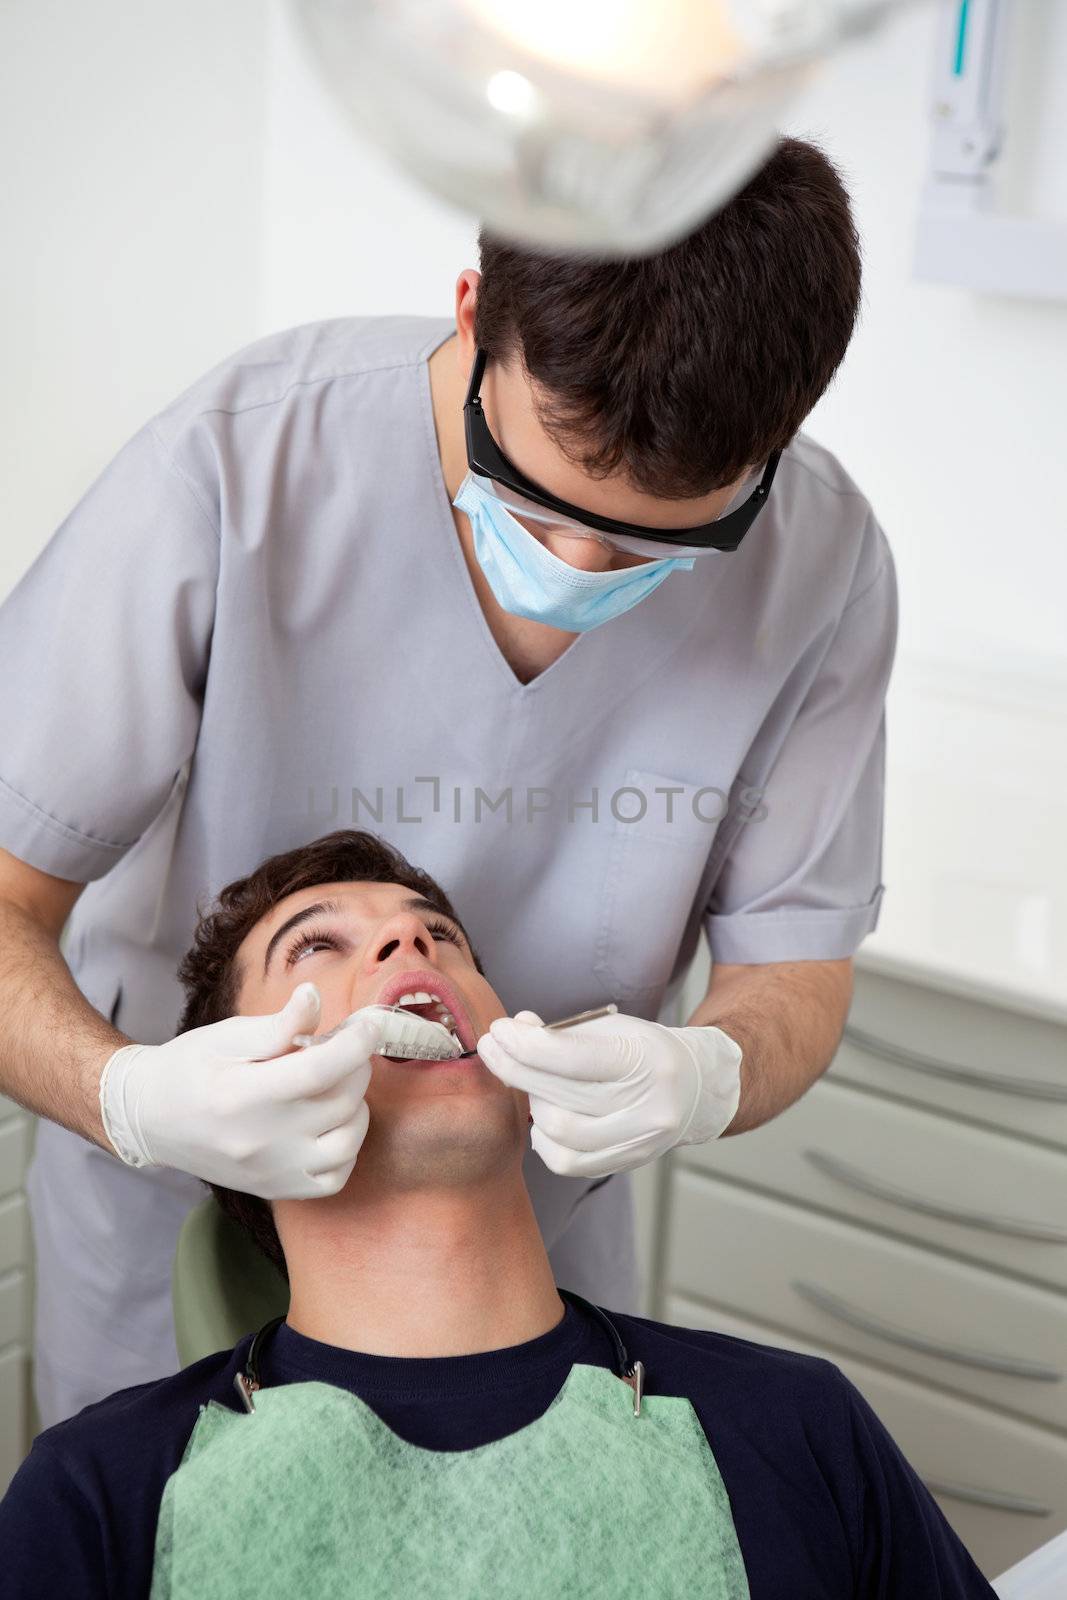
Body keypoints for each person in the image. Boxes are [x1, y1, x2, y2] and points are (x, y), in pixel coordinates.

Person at [0, 134, 897, 1428]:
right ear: (474, 317)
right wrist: (126, 1098)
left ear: (777, 440)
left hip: (527, 1241)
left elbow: (792, 972)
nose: (583, 570)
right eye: (531, 500)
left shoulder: (822, 570)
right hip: (166, 1225)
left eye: (666, 535)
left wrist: (704, 1072)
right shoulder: (233, 469)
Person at [0, 831, 994, 1599]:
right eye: (316, 945)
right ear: (233, 1105)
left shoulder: (794, 1425)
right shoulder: (101, 1496)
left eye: (441, 937)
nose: (408, 940)